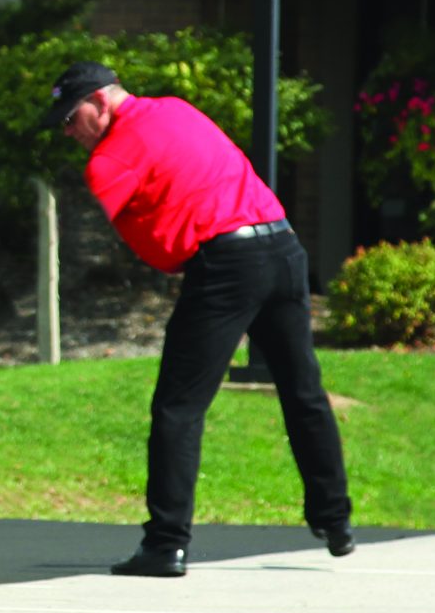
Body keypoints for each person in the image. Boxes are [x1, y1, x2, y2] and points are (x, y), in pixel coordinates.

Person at [46, 60, 355, 576]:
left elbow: (161, 251)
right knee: (302, 390)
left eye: (71, 117)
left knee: (178, 406)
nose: (68, 130)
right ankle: (336, 520)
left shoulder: (106, 162)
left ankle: (166, 545)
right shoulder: (177, 108)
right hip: (283, 245)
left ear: (100, 101)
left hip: (227, 263)